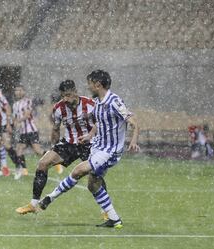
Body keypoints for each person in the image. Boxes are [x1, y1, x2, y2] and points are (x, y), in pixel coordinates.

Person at [38, 70, 140, 228]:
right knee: (92, 185)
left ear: (98, 84)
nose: (88, 87)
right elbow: (100, 123)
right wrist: (89, 135)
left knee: (78, 170)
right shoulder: (98, 102)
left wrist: (133, 140)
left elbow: (133, 121)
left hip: (110, 151)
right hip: (98, 146)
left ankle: (49, 198)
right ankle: (114, 219)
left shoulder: (114, 101)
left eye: (90, 84)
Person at [16, 79, 104, 215]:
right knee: (42, 163)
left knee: (94, 177)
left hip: (89, 144)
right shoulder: (58, 108)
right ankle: (33, 204)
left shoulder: (91, 105)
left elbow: (102, 123)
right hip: (69, 143)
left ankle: (106, 211)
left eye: (68, 95)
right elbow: (56, 129)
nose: (66, 99)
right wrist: (53, 147)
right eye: (63, 96)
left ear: (76, 92)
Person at [12, 84, 46, 180]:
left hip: (31, 130)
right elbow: (14, 118)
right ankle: (22, 170)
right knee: (19, 149)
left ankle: (53, 157)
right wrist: (15, 124)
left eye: (20, 90)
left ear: (24, 92)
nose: (18, 92)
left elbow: (27, 115)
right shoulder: (15, 105)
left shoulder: (28, 101)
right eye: (16, 90)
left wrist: (18, 121)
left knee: (38, 151)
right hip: (23, 132)